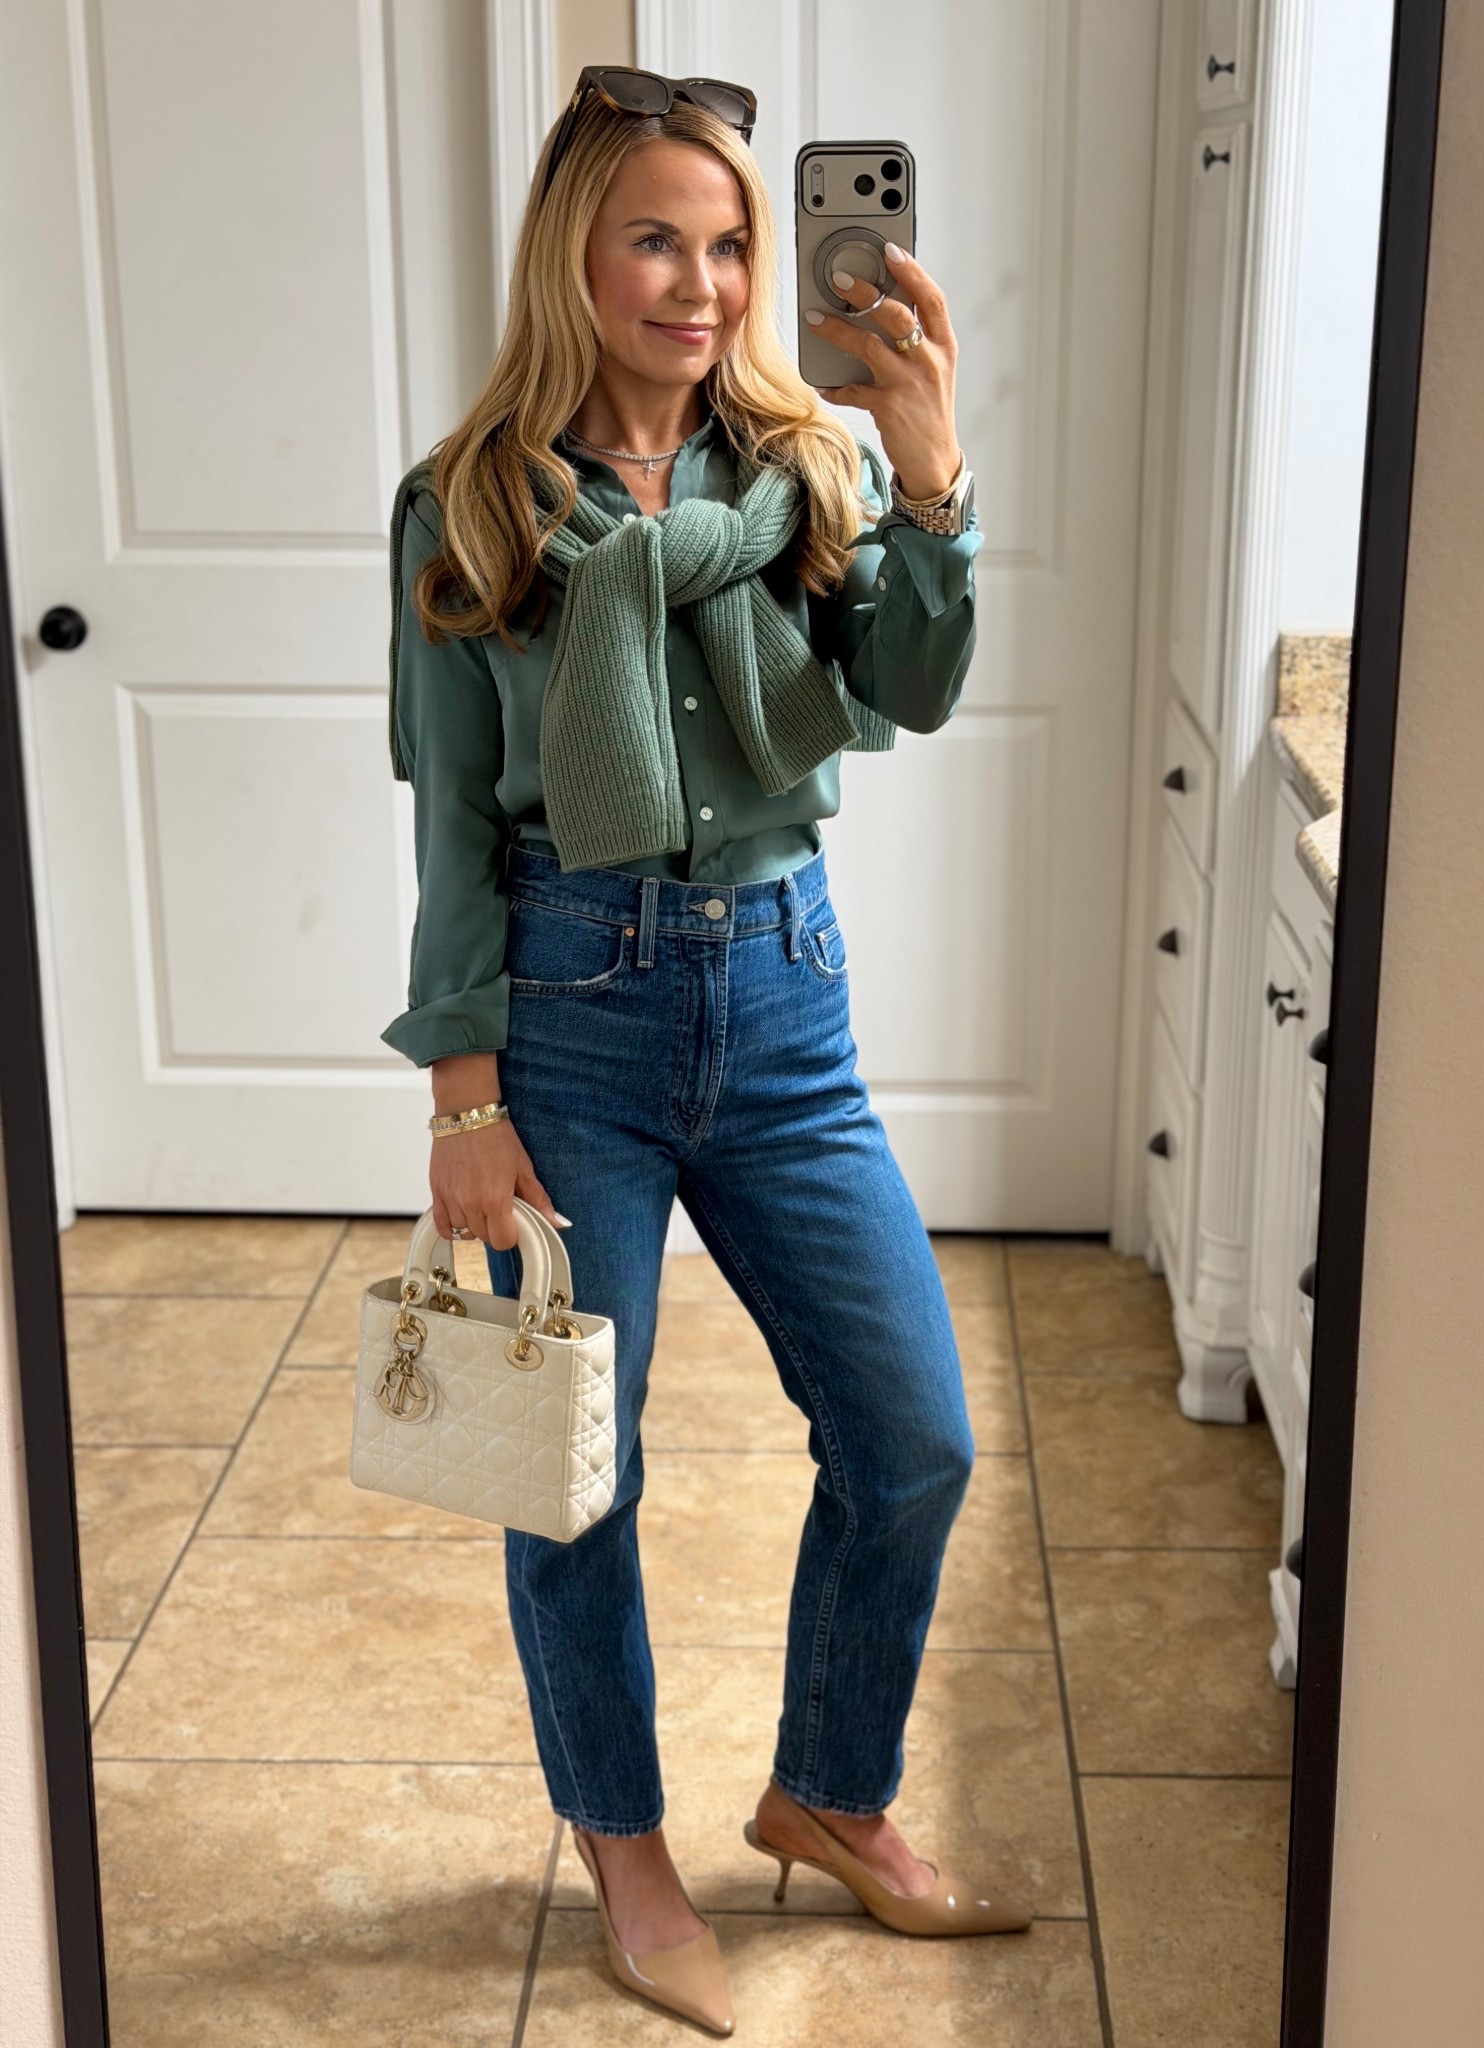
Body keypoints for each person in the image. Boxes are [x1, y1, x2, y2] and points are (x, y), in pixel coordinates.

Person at [381, 66, 1031, 2036]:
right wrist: (464, 1095)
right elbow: (451, 817)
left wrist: (930, 475)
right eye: (656, 237)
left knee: (912, 1434)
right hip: (569, 1013)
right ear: (571, 257)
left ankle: (828, 1789)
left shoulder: (806, 473)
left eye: (733, 241)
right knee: (573, 1469)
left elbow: (909, 688)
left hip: (783, 997)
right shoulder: (472, 504)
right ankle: (628, 1848)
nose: (704, 281)